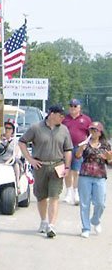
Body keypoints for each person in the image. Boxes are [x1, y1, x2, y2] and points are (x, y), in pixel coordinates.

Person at [18, 105, 73, 238]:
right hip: (40, 166)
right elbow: (22, 142)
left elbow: (68, 150)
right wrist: (30, 159)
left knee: (54, 196)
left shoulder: (64, 130)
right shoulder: (36, 128)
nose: (63, 118)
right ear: (52, 114)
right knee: (41, 196)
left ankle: (51, 225)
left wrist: (67, 167)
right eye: (60, 115)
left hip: (57, 165)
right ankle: (43, 221)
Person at [74, 121, 112, 238]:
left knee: (100, 203)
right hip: (85, 175)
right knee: (84, 204)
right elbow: (78, 156)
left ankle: (95, 220)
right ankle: (86, 228)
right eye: (91, 130)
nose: (93, 132)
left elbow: (110, 162)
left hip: (99, 176)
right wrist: (81, 147)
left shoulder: (106, 145)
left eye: (95, 130)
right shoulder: (86, 143)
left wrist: (108, 157)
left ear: (100, 133)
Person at [62, 98, 92, 205]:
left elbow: (91, 134)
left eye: (75, 106)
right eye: (71, 106)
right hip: (66, 148)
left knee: (77, 171)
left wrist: (86, 145)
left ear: (79, 107)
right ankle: (68, 191)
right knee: (67, 170)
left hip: (79, 147)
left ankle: (76, 192)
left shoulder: (86, 119)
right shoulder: (64, 119)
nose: (72, 108)